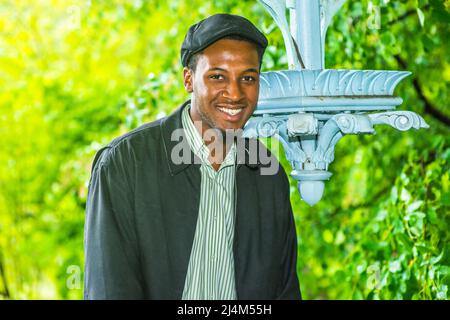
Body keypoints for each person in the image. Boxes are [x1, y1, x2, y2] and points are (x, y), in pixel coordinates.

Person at [84, 13, 301, 300]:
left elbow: (284, 291)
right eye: (217, 76)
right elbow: (109, 290)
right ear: (189, 79)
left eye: (248, 78)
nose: (234, 93)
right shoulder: (125, 164)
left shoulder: (267, 173)